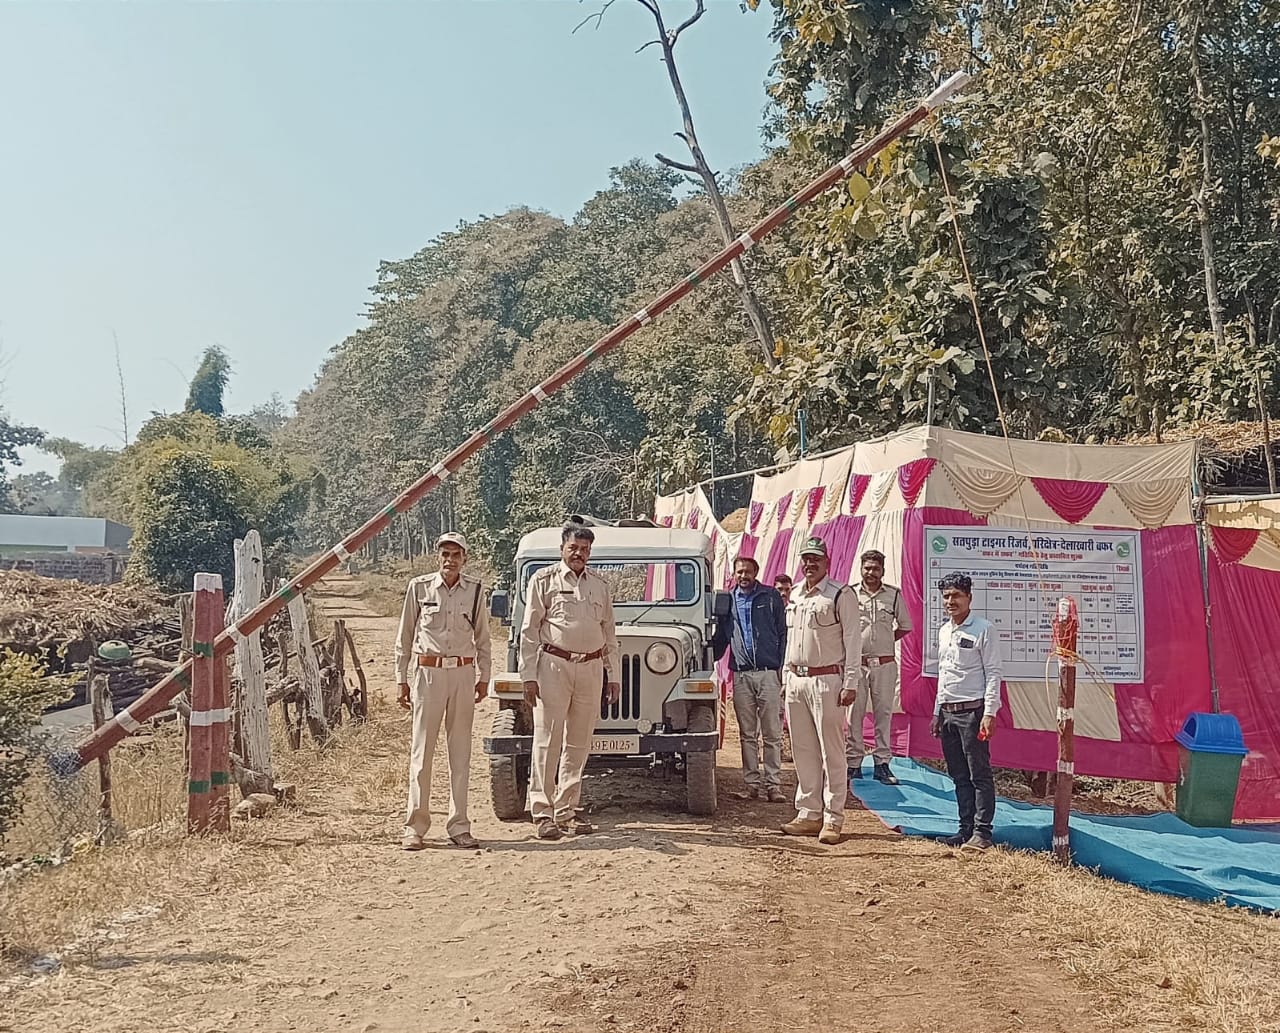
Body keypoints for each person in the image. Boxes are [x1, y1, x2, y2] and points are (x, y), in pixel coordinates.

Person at [519, 523, 620, 840]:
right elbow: (529, 630)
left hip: (590, 669)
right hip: (554, 666)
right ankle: (542, 811)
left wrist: (612, 676)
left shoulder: (599, 586)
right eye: (574, 547)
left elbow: (610, 635)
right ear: (562, 548)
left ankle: (567, 810)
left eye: (585, 549)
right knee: (548, 740)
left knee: (578, 743)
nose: (579, 554)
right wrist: (529, 675)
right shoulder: (544, 580)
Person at [396, 531, 490, 851]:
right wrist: (401, 679)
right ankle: (415, 827)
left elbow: (483, 638)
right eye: (445, 554)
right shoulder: (420, 588)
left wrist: (484, 677)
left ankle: (459, 825)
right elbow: (404, 637)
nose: (450, 560)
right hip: (428, 673)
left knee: (460, 753)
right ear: (438, 556)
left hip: (463, 673)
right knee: (422, 753)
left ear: (465, 558)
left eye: (456, 554)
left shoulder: (476, 591)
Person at [780, 537, 860, 845]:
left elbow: (853, 642)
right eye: (805, 559)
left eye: (816, 559)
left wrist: (850, 683)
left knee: (832, 752)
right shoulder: (796, 595)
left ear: (827, 562)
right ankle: (808, 813)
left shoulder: (841, 594)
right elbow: (791, 642)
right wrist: (786, 676)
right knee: (802, 750)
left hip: (828, 681)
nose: (809, 564)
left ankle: (833, 818)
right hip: (797, 680)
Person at [931, 573, 1003, 851]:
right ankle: (965, 830)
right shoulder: (944, 630)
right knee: (958, 775)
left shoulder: (984, 629)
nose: (951, 601)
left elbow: (994, 672)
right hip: (948, 713)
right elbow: (944, 674)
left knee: (979, 775)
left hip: (973, 713)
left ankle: (982, 834)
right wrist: (938, 712)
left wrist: (990, 712)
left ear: (969, 598)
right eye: (947, 596)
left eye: (957, 596)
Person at [713, 555, 788, 803]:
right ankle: (752, 784)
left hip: (768, 672)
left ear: (756, 573)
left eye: (748, 572)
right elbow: (721, 638)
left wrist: (780, 666)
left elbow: (782, 632)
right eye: (739, 572)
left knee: (772, 733)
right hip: (742, 675)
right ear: (733, 574)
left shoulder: (769, 597)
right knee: (747, 734)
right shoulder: (728, 601)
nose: (743, 576)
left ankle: (774, 785)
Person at [846, 549, 913, 785]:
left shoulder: (893, 595)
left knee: (883, 714)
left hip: (884, 665)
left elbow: (905, 626)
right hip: (857, 664)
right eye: (867, 568)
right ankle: (853, 763)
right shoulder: (851, 594)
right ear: (861, 569)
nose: (871, 572)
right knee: (854, 714)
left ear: (882, 570)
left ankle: (882, 764)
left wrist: (885, 641)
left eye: (875, 568)